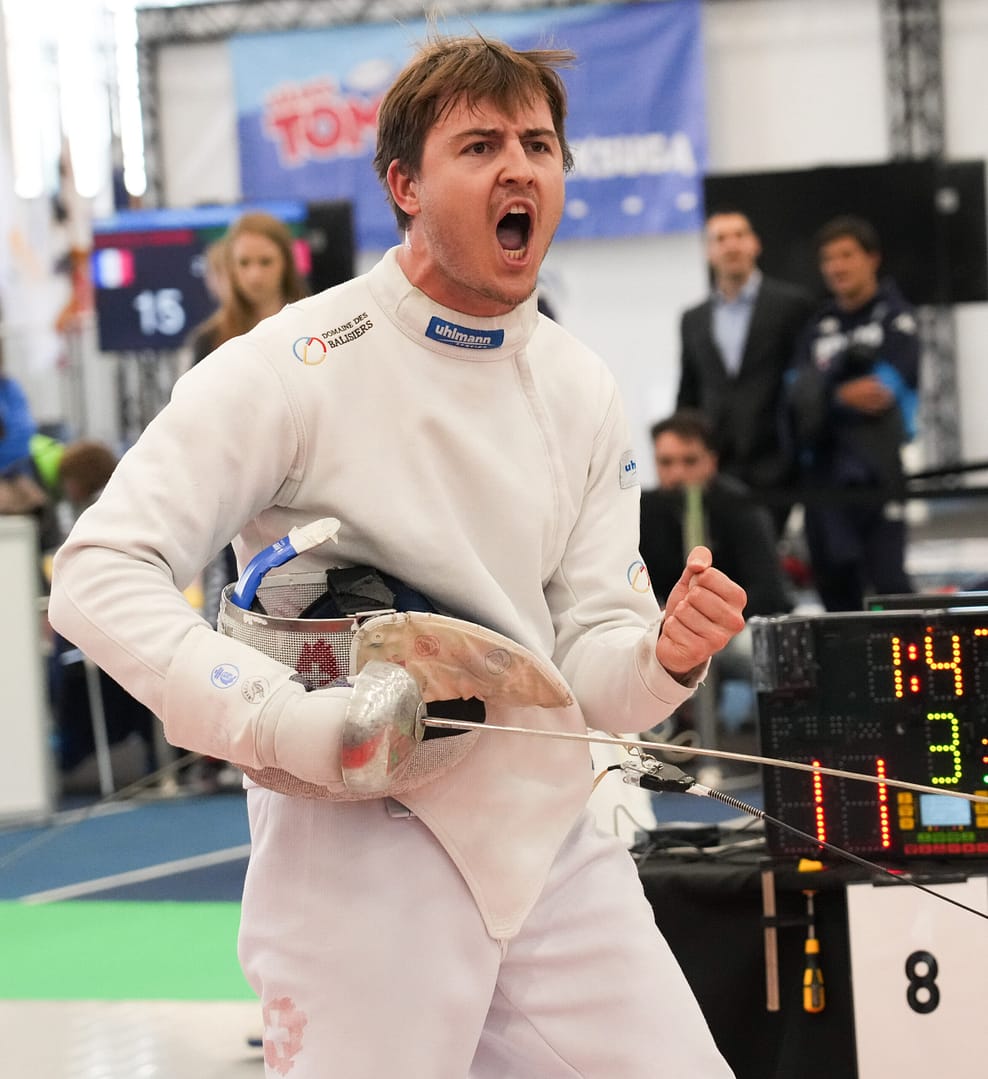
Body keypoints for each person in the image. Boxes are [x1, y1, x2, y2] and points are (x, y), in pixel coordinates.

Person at [49, 33, 746, 1079]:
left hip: (551, 847)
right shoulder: (291, 364)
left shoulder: (578, 383)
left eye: (538, 142)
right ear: (403, 185)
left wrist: (664, 654)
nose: (519, 166)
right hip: (358, 862)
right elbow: (98, 572)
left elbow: (591, 657)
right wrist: (285, 717)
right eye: (479, 145)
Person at [785, 214, 920, 612]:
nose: (837, 267)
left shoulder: (897, 319)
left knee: (891, 589)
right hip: (822, 482)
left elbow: (879, 393)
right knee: (835, 593)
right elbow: (795, 397)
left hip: (878, 475)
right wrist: (841, 397)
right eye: (828, 259)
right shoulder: (817, 327)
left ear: (872, 258)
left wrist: (823, 396)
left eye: (846, 255)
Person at [641, 408, 793, 739]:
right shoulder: (646, 510)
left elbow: (770, 591)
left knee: (763, 653)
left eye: (689, 461)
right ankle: (680, 732)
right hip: (676, 627)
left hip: (739, 627)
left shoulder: (742, 508)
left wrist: (713, 622)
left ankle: (771, 737)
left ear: (711, 461)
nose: (677, 473)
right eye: (666, 463)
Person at [677, 209, 816, 535]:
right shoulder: (693, 319)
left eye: (739, 235)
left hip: (779, 462)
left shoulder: (792, 306)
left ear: (755, 244)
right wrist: (685, 455)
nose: (731, 245)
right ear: (708, 252)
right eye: (720, 239)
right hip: (719, 467)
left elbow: (806, 382)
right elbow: (689, 390)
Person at [186, 211, 308, 365]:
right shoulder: (210, 341)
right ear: (231, 267)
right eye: (244, 263)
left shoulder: (313, 324)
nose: (254, 275)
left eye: (266, 262)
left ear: (286, 263)